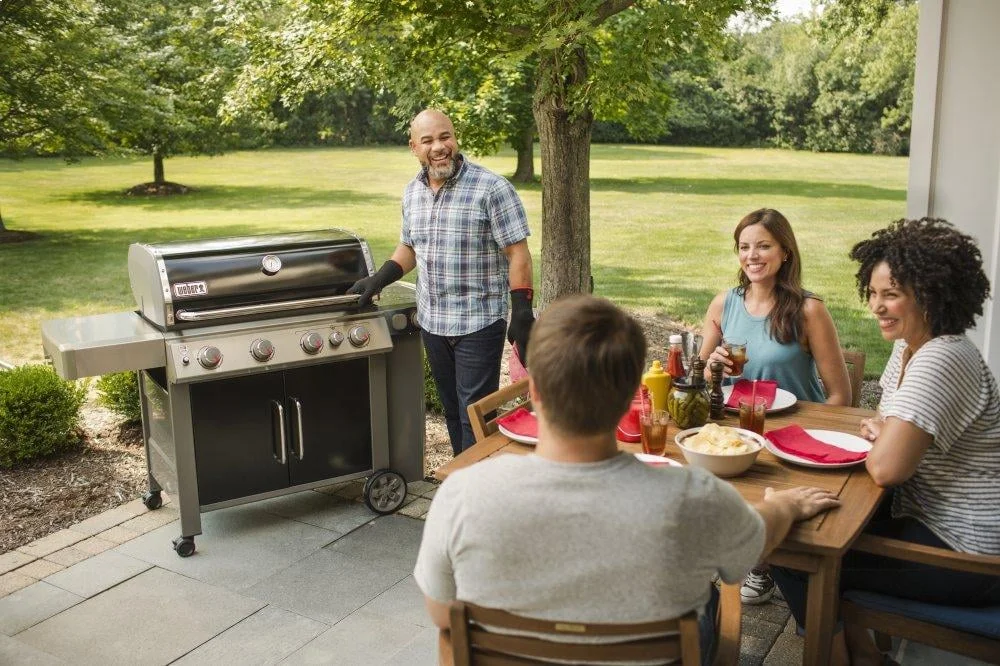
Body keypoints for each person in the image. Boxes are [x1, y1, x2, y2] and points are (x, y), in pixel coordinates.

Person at [414, 294, 840, 665]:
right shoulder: (693, 498)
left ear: (536, 392)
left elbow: (442, 615)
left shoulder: (462, 494)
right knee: (708, 603)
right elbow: (754, 543)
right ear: (631, 399)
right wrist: (785, 505)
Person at [771, 218, 1000, 666]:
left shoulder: (942, 357)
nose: (876, 306)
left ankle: (848, 659)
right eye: (873, 293)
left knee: (793, 548)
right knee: (813, 519)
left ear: (931, 294)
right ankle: (864, 656)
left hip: (969, 555)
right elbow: (881, 422)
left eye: (891, 294)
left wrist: (889, 439)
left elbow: (886, 467)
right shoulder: (910, 346)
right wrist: (889, 435)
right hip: (927, 521)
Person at [347, 109, 535, 455]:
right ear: (414, 147)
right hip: (433, 322)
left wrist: (522, 309)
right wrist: (379, 279)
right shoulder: (412, 192)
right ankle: (460, 476)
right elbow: (409, 248)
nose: (439, 147)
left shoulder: (492, 188)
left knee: (474, 416)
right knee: (452, 410)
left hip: (478, 322)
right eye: (428, 140)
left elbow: (517, 253)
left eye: (445, 137)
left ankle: (473, 482)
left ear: (455, 137)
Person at [698, 208, 852, 605]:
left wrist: (817, 438)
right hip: (736, 430)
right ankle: (747, 552)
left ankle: (767, 563)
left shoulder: (809, 310)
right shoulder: (724, 304)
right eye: (744, 247)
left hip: (794, 432)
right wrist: (712, 367)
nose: (752, 255)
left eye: (763, 246)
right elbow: (698, 378)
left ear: (785, 252)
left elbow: (841, 395)